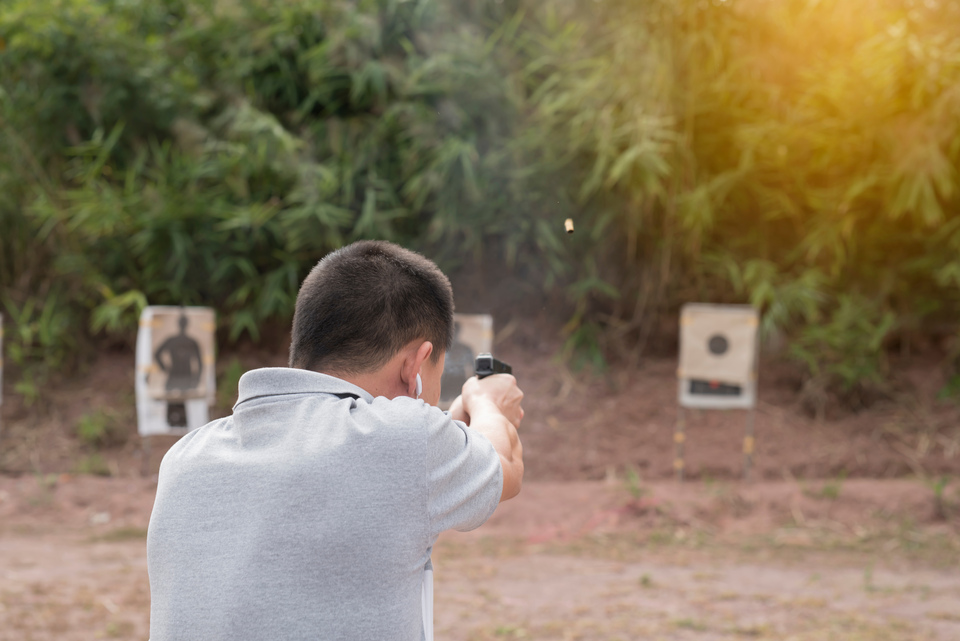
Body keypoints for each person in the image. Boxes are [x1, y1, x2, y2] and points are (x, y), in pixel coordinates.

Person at [146, 240, 524, 641]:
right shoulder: (406, 440)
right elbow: (506, 467)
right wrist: (487, 403)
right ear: (414, 364)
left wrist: (447, 432)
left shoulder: (184, 457)